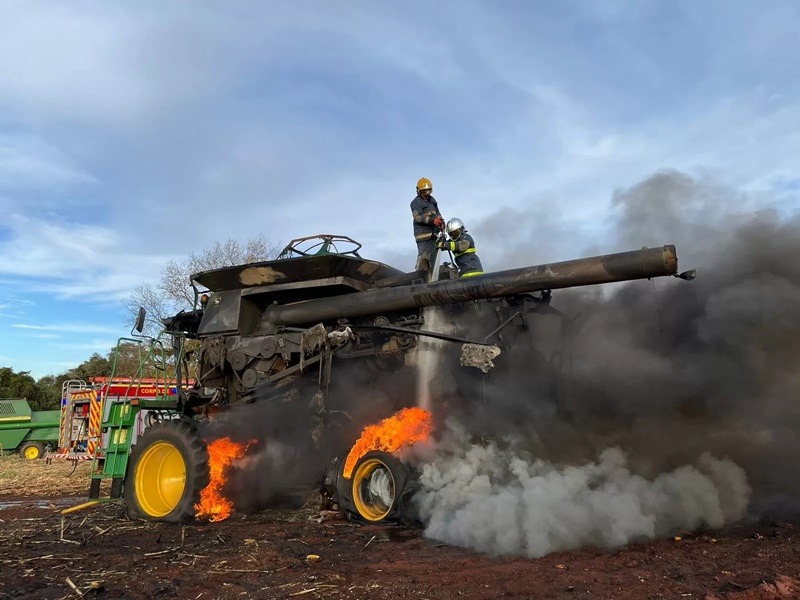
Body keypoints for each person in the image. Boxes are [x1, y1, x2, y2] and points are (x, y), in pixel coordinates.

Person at [410, 177, 445, 277]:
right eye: (424, 191)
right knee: (424, 258)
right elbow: (417, 217)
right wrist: (432, 220)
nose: (427, 193)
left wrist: (441, 222)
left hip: (433, 234)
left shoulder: (432, 201)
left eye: (428, 190)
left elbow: (437, 213)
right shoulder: (415, 202)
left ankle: (431, 278)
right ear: (419, 191)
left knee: (433, 260)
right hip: (423, 235)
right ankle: (418, 277)